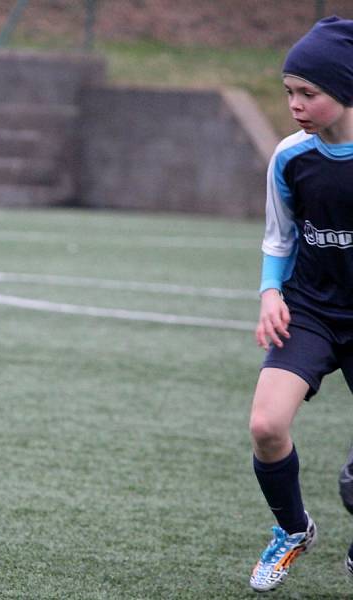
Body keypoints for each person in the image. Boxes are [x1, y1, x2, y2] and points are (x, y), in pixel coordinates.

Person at [248, 15, 353, 593]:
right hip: (310, 310)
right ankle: (293, 530)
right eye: (289, 92)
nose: (295, 103)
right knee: (266, 425)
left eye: (309, 93)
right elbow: (279, 237)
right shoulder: (291, 156)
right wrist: (269, 293)